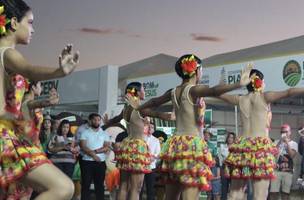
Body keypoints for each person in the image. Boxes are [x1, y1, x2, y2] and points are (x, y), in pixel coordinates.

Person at [126, 54, 251, 200]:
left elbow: (154, 101)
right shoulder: (193, 90)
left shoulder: (173, 91)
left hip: (175, 146)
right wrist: (238, 84)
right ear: (197, 71)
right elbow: (214, 91)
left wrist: (139, 106)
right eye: (202, 70)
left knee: (171, 196)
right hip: (191, 145)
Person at [0, 0, 79, 199]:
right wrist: (58, 71)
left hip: (11, 133)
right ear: (14, 23)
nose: (33, 29)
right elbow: (27, 68)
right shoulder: (7, 53)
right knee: (63, 187)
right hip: (3, 136)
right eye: (31, 22)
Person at [217, 68, 304, 200]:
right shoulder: (265, 97)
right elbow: (289, 91)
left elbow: (217, 93)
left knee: (235, 193)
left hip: (243, 151)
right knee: (260, 195)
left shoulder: (240, 99)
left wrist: (233, 84)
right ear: (260, 82)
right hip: (259, 152)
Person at [103, 82, 172, 200]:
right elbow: (157, 114)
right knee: (136, 187)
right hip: (137, 147)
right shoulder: (140, 109)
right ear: (137, 93)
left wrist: (108, 122)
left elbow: (115, 119)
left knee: (124, 185)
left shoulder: (126, 109)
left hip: (127, 145)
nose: (144, 92)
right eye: (143, 89)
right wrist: (168, 116)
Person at [79, 113, 111, 200]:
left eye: (98, 120)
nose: (97, 122)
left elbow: (107, 147)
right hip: (87, 162)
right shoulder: (84, 132)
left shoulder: (104, 133)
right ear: (90, 121)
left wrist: (95, 152)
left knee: (100, 185)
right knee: (86, 184)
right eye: (95, 120)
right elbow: (83, 146)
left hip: (100, 162)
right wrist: (94, 155)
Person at [269, 124, 298, 200]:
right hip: (276, 170)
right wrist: (280, 142)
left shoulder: (294, 143)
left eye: (286, 131)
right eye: (282, 132)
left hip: (288, 171)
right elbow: (273, 154)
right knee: (273, 192)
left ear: (290, 132)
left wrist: (287, 143)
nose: (284, 133)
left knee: (285, 193)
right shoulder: (276, 142)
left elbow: (292, 155)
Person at [204, 129, 221, 200]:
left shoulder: (212, 145)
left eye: (208, 135)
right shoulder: (200, 143)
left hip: (212, 167)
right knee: (208, 193)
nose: (207, 136)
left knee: (216, 194)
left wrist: (212, 162)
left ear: (210, 136)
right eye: (205, 134)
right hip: (203, 168)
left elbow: (215, 156)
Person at [219, 132, 235, 200]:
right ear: (227, 138)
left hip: (233, 168)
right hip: (224, 167)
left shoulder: (236, 147)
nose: (230, 139)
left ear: (234, 139)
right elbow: (220, 157)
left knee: (233, 187)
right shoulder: (222, 146)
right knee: (224, 187)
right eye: (229, 137)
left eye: (232, 138)